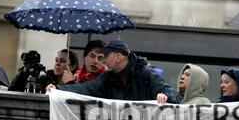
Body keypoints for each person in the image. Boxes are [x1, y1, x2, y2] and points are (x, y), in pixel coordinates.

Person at [46, 40, 182, 104]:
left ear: (117, 57)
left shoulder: (146, 74)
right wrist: (58, 89)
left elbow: (175, 95)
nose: (102, 60)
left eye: (105, 55)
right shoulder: (107, 77)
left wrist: (165, 96)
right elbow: (85, 88)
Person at [9, 49, 79, 93]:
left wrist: (70, 83)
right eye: (56, 60)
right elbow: (13, 91)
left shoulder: (78, 84)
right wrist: (24, 72)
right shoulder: (44, 80)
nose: (57, 64)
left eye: (63, 61)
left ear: (72, 66)